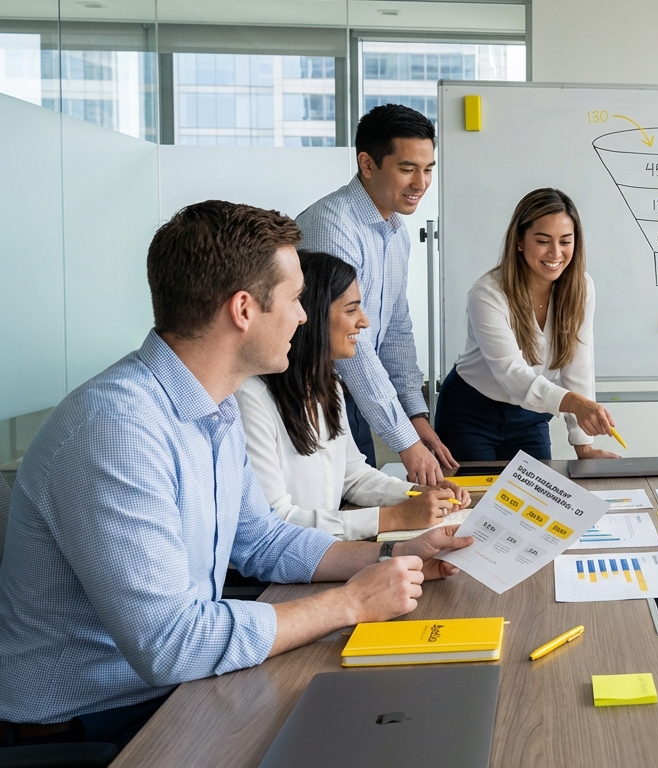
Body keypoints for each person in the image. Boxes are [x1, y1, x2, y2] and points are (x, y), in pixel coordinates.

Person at [0, 202, 474, 748]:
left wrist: (398, 555)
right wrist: (349, 603)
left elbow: (261, 539)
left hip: (174, 690)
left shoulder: (212, 410)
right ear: (243, 309)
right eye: (296, 299)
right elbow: (171, 645)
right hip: (102, 723)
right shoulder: (119, 430)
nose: (304, 316)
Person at [236, 250, 471, 541]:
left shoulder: (327, 383)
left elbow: (353, 477)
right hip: (282, 572)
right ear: (311, 315)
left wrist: (418, 494)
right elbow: (277, 521)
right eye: (351, 310)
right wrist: (393, 517)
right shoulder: (251, 399)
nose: (364, 322)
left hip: (323, 553)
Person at [297, 103, 455, 484]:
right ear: (367, 164)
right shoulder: (332, 227)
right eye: (407, 169)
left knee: (359, 502)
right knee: (328, 515)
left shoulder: (396, 232)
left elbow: (396, 330)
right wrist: (404, 439)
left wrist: (415, 416)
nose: (421, 183)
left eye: (428, 169)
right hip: (312, 398)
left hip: (352, 397)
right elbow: (354, 343)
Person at [434, 188, 619, 461]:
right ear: (519, 241)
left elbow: (578, 364)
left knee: (537, 500)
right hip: (471, 412)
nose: (556, 253)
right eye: (543, 241)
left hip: (530, 415)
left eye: (566, 241)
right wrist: (574, 403)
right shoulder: (488, 294)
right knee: (473, 502)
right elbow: (512, 374)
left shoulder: (582, 287)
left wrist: (584, 446)